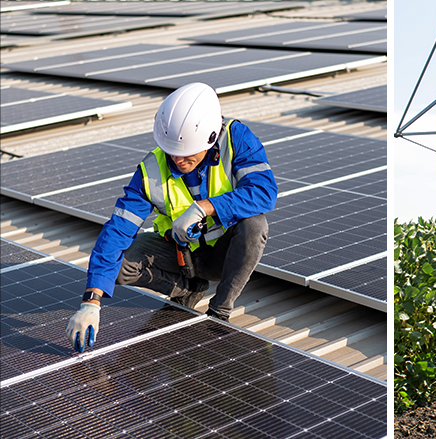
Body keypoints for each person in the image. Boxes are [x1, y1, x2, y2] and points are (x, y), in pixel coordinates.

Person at [66, 82, 278, 352]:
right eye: (172, 152)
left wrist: (206, 207)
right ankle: (187, 288)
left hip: (223, 255)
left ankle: (219, 312)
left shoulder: (237, 140)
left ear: (211, 137)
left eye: (187, 152)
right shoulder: (151, 169)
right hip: (181, 254)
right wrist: (91, 301)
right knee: (119, 265)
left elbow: (264, 192)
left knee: (254, 224)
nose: (178, 160)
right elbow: (118, 229)